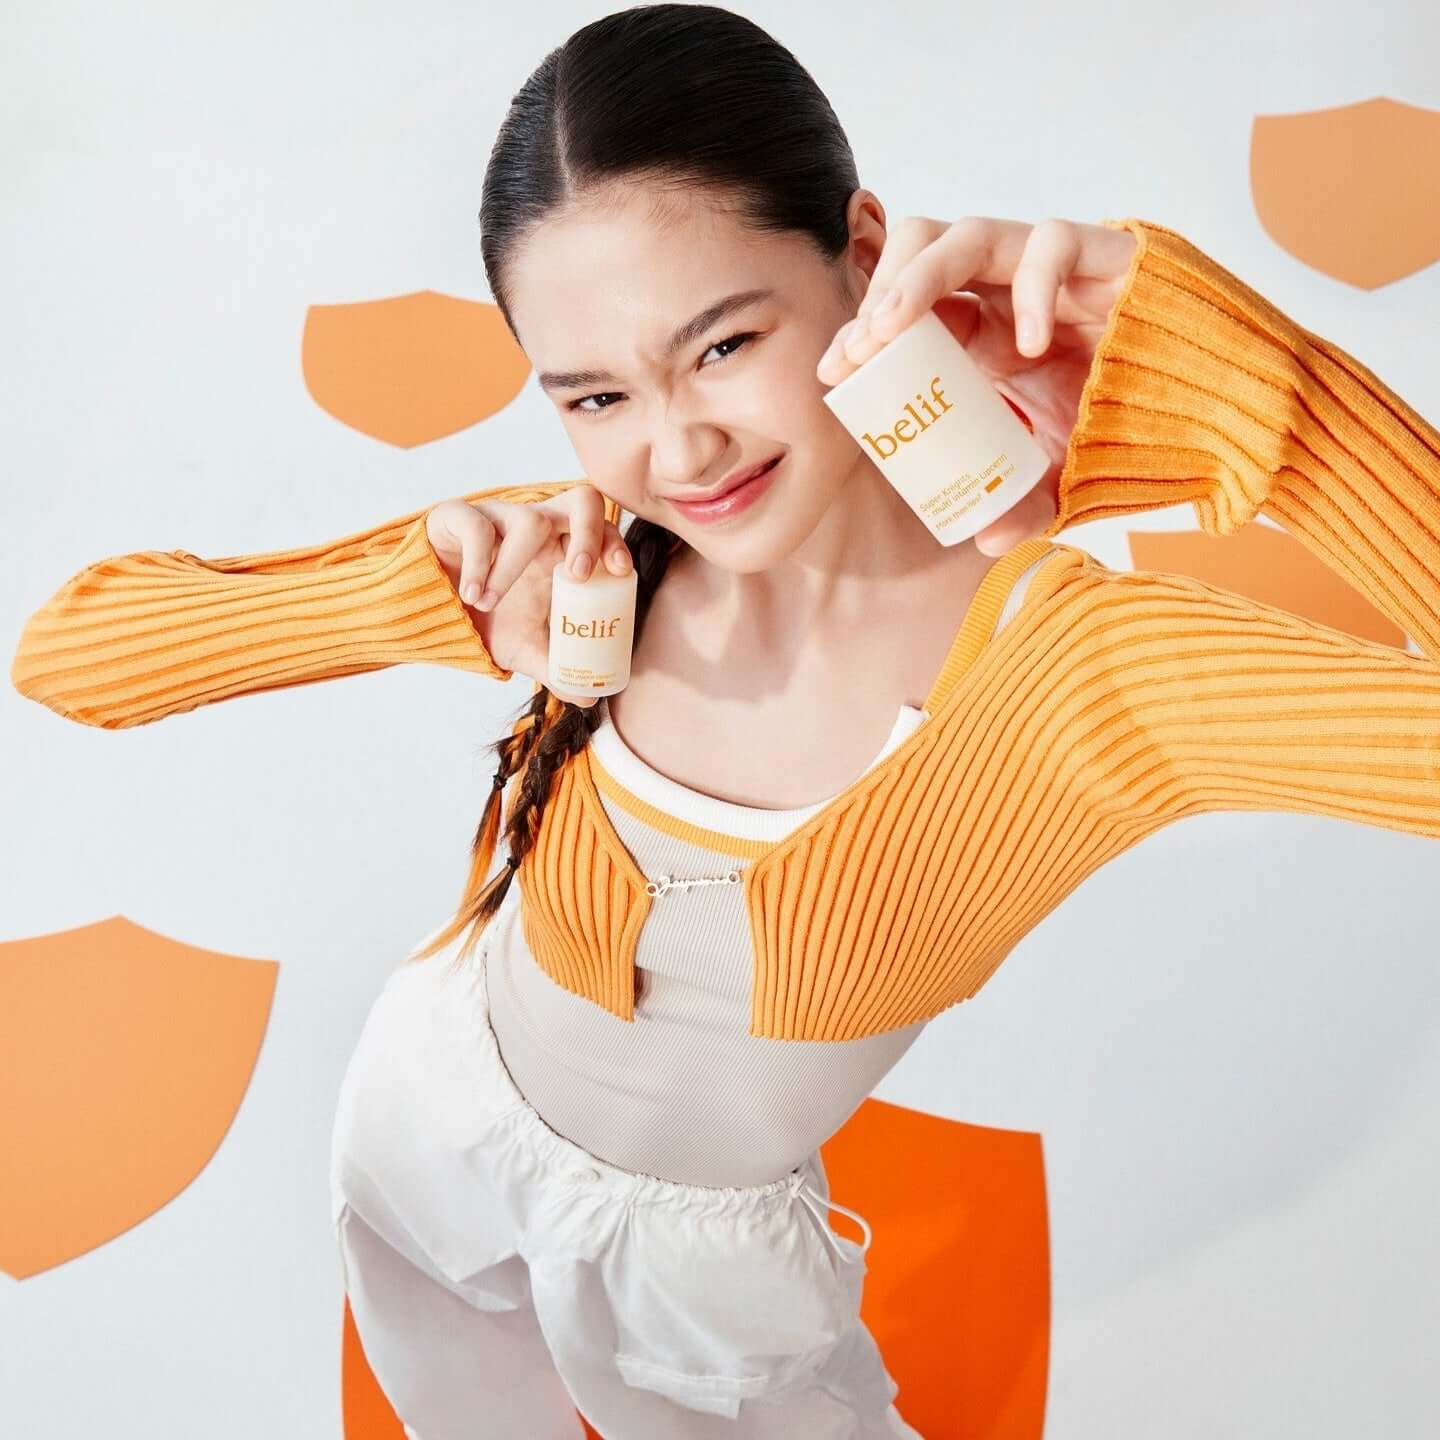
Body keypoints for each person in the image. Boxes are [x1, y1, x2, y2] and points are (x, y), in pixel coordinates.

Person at [11, 5, 1439, 1437]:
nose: (677, 448)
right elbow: (69, 658)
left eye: (723, 344)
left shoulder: (1083, 674)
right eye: (595, 393)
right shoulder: (592, 562)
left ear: (864, 260)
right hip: (422, 1125)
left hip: (709, 1310)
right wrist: (415, 597)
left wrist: (1264, 392)